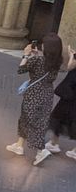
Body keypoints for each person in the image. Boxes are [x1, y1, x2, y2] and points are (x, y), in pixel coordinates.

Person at [8, 34, 63, 166]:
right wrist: (37, 55)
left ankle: (41, 151)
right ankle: (19, 145)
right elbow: (44, 66)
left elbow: (20, 69)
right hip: (47, 94)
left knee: (30, 121)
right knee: (32, 120)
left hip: (34, 94)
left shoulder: (37, 60)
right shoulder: (57, 60)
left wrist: (26, 55)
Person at [46, 46, 76, 160]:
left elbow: (70, 67)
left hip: (71, 92)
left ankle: (54, 143)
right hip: (71, 92)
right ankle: (71, 150)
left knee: (59, 115)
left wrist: (71, 56)